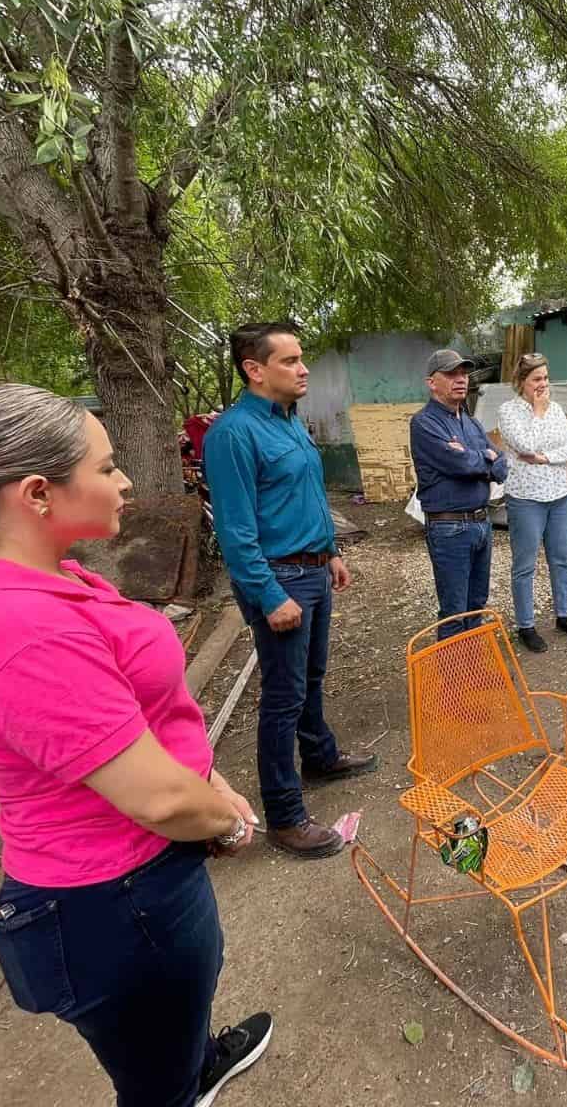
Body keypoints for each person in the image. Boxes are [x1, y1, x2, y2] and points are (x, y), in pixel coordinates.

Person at [0, 384, 271, 1107]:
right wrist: (229, 820)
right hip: (114, 904)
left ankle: (196, 1060)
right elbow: (155, 796)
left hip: (138, 883)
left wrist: (209, 786)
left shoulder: (56, 580)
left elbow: (141, 722)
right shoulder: (19, 628)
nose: (124, 482)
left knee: (170, 1031)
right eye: (107, 466)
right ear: (37, 494)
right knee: (155, 1086)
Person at [203, 322, 377, 862]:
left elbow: (305, 496)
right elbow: (235, 530)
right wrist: (269, 594)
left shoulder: (290, 421)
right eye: (290, 361)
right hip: (279, 579)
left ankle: (319, 757)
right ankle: (284, 814)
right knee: (282, 697)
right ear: (255, 370)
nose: (304, 370)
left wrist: (330, 552)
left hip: (313, 571)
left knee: (312, 677)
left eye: (302, 359)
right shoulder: (233, 434)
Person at [410, 348, 510, 639]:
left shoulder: (470, 421)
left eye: (464, 373)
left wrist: (481, 457)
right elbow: (460, 464)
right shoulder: (424, 423)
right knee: (454, 610)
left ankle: (472, 672)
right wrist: (484, 457)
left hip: (481, 522)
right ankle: (454, 681)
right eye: (451, 374)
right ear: (432, 382)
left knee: (476, 605)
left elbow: (502, 465)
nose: (461, 379)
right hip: (449, 526)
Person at [497, 352, 567, 652]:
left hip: (559, 494)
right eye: (536, 379)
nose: (543, 384)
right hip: (526, 497)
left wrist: (543, 457)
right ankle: (526, 625)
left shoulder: (557, 409)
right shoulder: (508, 411)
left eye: (546, 378)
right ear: (521, 382)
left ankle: (563, 614)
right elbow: (524, 445)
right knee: (524, 565)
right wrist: (537, 411)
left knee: (561, 558)